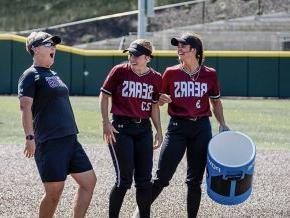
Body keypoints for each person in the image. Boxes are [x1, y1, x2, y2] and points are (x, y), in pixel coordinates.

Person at [150, 32, 230, 218]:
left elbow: (216, 102)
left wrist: (222, 124)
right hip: (177, 128)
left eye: (182, 46)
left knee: (194, 181)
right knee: (162, 177)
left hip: (201, 128)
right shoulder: (171, 72)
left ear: (194, 50)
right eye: (177, 46)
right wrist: (161, 99)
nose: (178, 49)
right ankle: (140, 212)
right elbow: (158, 100)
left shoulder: (210, 74)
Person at [18, 31, 96, 218]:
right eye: (48, 44)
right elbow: (25, 107)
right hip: (50, 141)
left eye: (54, 45)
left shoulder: (52, 73)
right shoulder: (30, 75)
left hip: (70, 138)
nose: (53, 47)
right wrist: (29, 137)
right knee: (54, 193)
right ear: (35, 49)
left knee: (89, 182)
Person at [100, 39, 163, 218]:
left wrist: (158, 130)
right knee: (123, 180)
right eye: (130, 54)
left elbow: (154, 106)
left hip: (143, 129)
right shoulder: (119, 71)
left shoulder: (156, 78)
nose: (132, 58)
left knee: (144, 181)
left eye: (136, 55)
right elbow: (104, 95)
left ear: (147, 58)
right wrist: (106, 122)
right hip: (121, 127)